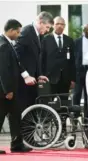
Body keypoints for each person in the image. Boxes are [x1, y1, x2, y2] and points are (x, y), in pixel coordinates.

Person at [0, 19, 37, 154]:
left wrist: (26, 76)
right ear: (10, 30)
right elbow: (3, 71)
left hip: (11, 90)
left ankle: (17, 144)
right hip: (5, 91)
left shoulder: (9, 44)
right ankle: (17, 143)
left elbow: (18, 64)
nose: (19, 34)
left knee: (16, 116)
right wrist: (8, 90)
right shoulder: (3, 46)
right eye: (17, 31)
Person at [15, 11, 53, 112]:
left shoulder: (38, 35)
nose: (48, 30)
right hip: (23, 81)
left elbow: (36, 58)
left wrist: (39, 75)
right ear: (41, 22)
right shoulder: (26, 32)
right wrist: (26, 75)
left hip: (32, 80)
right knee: (23, 111)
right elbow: (16, 56)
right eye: (47, 27)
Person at [41, 16, 76, 99]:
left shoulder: (69, 40)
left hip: (65, 79)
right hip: (50, 78)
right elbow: (42, 59)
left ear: (65, 26)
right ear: (53, 25)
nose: (60, 26)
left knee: (64, 102)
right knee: (50, 102)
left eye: (62, 24)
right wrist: (42, 75)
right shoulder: (45, 40)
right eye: (57, 24)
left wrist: (73, 79)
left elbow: (72, 61)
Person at [74, 24, 88, 123]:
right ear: (83, 31)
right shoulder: (77, 42)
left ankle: (86, 119)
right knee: (77, 94)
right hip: (79, 71)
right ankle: (75, 118)